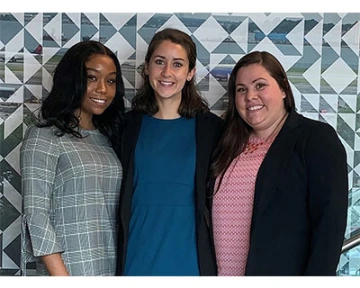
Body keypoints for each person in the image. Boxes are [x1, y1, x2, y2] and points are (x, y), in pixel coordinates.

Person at [209, 51, 348, 276]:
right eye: (241, 89)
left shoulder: (315, 139)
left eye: (260, 85)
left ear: (283, 88)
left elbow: (328, 228)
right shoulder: (227, 143)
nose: (250, 96)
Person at [115, 28, 223, 276]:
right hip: (135, 259)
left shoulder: (212, 130)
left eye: (177, 64)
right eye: (159, 62)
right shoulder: (125, 127)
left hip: (190, 263)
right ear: (147, 67)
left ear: (190, 73)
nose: (166, 72)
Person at [20, 40, 125, 276]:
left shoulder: (110, 139)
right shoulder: (45, 136)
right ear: (73, 80)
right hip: (69, 270)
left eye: (110, 81)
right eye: (92, 78)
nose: (103, 89)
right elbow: (36, 215)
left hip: (110, 267)